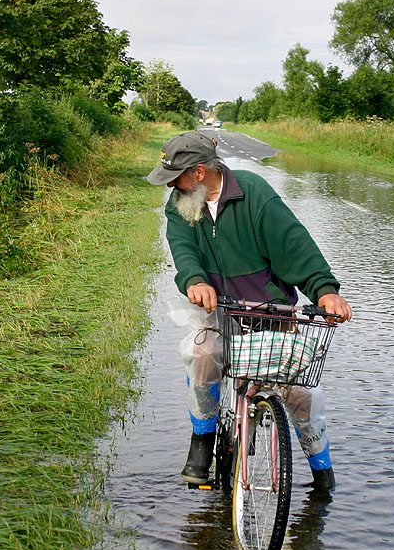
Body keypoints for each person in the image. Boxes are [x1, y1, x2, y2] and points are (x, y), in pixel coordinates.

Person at [147, 131, 353, 492]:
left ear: (198, 172)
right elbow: (183, 250)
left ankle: (322, 473)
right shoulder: (181, 203)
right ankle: (202, 444)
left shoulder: (254, 193)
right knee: (203, 354)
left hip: (268, 309)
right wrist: (195, 280)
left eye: (175, 177)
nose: (170, 187)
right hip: (219, 309)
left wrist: (324, 290)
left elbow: (295, 244)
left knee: (300, 393)